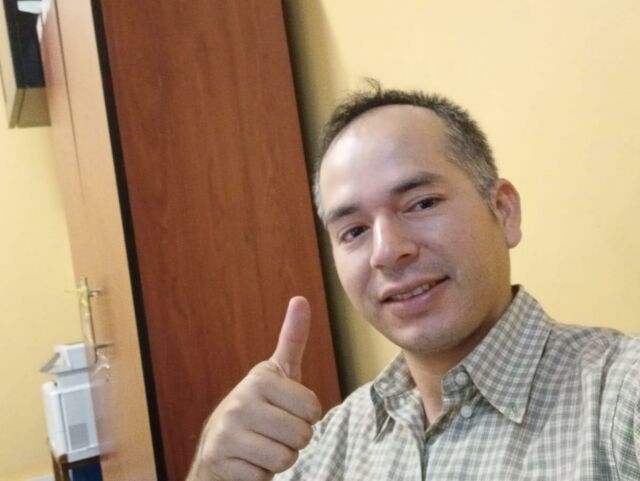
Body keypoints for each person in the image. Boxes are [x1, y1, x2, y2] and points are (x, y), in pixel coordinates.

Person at [187, 83, 640, 481]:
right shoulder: (319, 450)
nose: (387, 251)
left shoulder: (621, 397)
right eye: (354, 231)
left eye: (422, 204)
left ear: (503, 211)